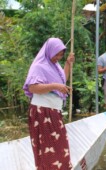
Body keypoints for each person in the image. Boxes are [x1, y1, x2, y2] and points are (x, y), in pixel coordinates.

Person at [23, 38, 74, 169]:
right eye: (56, 54)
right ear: (49, 51)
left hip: (53, 112)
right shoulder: (38, 66)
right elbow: (32, 88)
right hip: (42, 113)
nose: (58, 57)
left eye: (61, 55)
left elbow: (61, 79)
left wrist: (68, 64)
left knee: (60, 147)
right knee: (49, 149)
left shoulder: (55, 66)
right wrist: (55, 86)